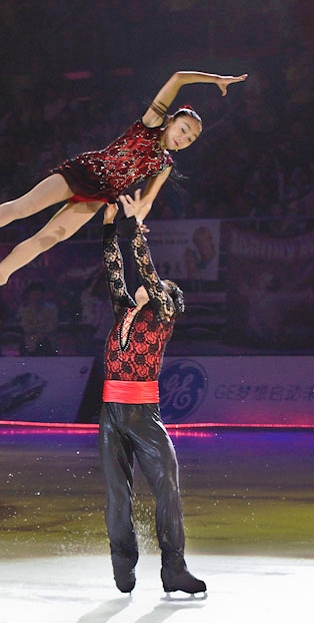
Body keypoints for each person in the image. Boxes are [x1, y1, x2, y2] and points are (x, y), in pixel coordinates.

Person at [0, 70, 247, 304]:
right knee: (25, 206)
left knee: (48, 238)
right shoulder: (151, 122)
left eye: (191, 139)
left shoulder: (164, 164)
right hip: (84, 171)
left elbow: (147, 200)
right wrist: (216, 79)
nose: (184, 138)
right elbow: (178, 77)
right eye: (184, 129)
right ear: (171, 121)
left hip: (100, 196)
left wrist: (138, 217)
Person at [97, 191, 204, 595]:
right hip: (111, 413)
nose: (148, 285)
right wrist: (110, 226)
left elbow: (144, 266)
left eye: (159, 286)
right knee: (117, 495)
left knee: (167, 488)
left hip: (144, 413)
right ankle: (122, 563)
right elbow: (115, 269)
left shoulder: (162, 316)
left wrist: (135, 229)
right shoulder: (124, 311)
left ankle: (174, 568)